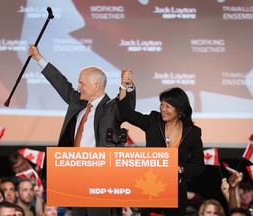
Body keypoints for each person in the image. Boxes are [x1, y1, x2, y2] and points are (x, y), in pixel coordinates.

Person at [28, 45, 136, 216]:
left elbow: (127, 106)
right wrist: (39, 58)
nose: (78, 87)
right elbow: (60, 82)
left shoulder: (111, 108)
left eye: (81, 83)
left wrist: (127, 87)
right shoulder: (78, 102)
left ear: (96, 85)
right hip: (76, 174)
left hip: (100, 176)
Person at [117, 85, 205, 216]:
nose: (163, 109)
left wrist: (181, 168)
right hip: (150, 188)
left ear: (179, 109)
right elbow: (126, 113)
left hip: (176, 191)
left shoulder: (193, 132)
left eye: (168, 106)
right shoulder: (153, 121)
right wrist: (124, 87)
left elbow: (199, 166)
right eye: (161, 105)